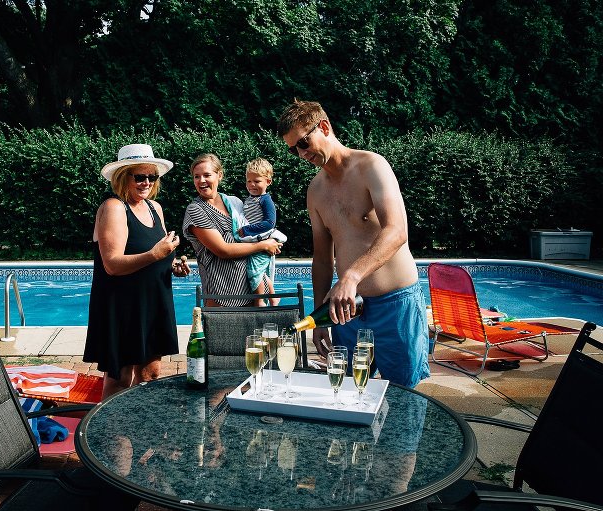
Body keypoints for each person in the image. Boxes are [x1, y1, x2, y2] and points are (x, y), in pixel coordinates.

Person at [276, 99, 429, 388]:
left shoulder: (371, 166)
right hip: (347, 312)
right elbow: (322, 258)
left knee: (406, 401)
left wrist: (351, 276)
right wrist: (318, 317)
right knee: (348, 396)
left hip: (395, 305)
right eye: (293, 148)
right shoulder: (316, 191)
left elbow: (396, 231)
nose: (301, 153)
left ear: (324, 126)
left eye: (304, 143)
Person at [84, 143, 190, 399]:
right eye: (140, 177)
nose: (147, 183)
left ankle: (142, 432)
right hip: (124, 305)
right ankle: (108, 436)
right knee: (121, 379)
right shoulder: (114, 207)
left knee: (151, 375)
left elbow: (157, 255)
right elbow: (112, 264)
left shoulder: (155, 208)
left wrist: (173, 264)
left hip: (153, 303)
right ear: (123, 177)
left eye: (152, 177)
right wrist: (155, 255)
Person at [182, 153, 281, 307]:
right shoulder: (195, 210)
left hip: (249, 293)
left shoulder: (233, 202)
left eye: (207, 175)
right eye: (196, 176)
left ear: (219, 175)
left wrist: (270, 241)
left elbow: (254, 228)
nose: (201, 181)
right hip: (220, 295)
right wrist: (263, 245)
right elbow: (223, 250)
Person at [237, 157, 287, 306]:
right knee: (259, 271)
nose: (252, 185)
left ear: (268, 182)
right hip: (255, 241)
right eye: (249, 181)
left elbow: (270, 223)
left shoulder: (265, 200)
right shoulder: (249, 199)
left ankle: (260, 301)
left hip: (262, 239)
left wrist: (246, 230)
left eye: (257, 181)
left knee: (255, 271)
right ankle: (273, 297)